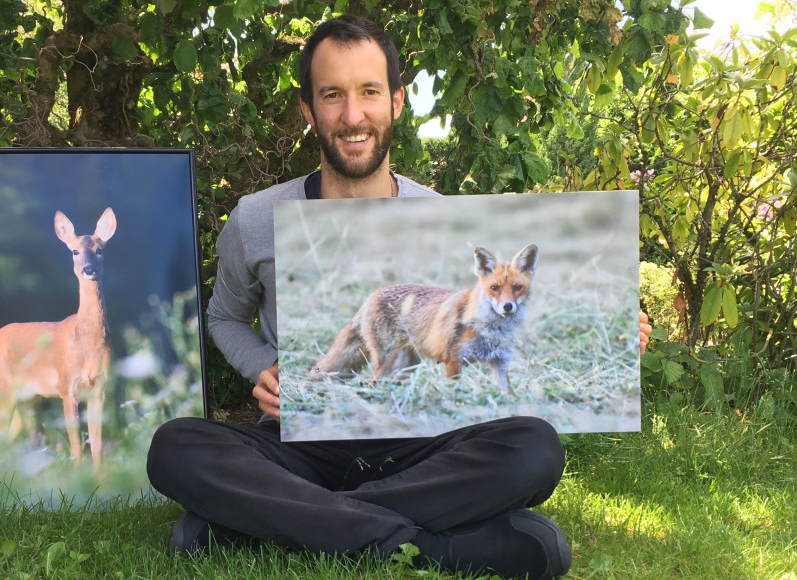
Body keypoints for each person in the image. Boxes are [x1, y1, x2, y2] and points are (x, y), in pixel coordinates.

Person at [147, 15, 653, 580]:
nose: (352, 115)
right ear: (309, 112)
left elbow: (495, 318)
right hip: (301, 445)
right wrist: (263, 366)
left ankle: (271, 527)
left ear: (396, 102)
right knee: (175, 446)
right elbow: (224, 318)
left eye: (368, 92)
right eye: (332, 96)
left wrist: (619, 321)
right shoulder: (256, 219)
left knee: (535, 447)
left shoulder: (437, 210)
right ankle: (437, 548)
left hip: (421, 449)